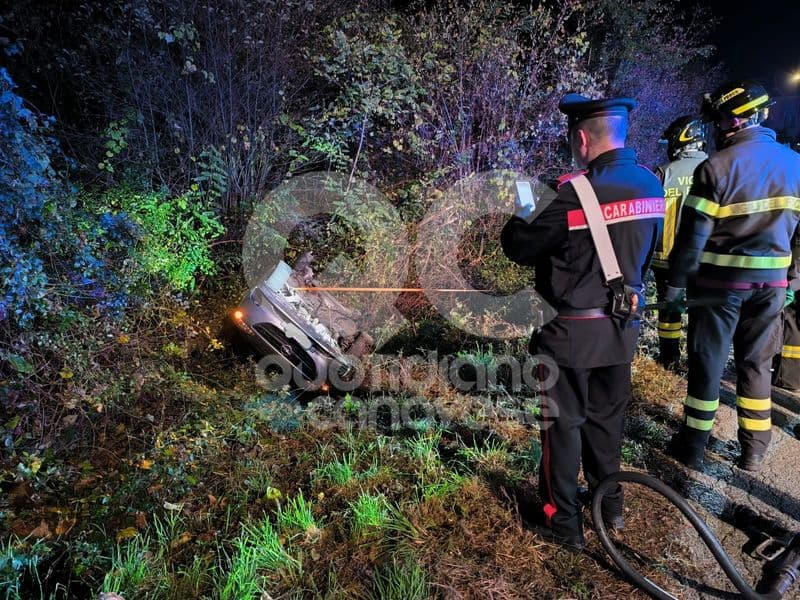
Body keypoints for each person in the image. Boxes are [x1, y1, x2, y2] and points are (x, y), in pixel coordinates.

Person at [501, 93, 664, 549]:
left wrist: (526, 204)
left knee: (562, 428)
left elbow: (517, 245)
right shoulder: (652, 185)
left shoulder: (570, 193)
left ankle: (564, 524)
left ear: (580, 138)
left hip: (570, 335)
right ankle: (610, 510)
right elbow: (652, 252)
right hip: (621, 330)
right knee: (606, 423)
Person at [665, 80, 800, 472]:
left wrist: (675, 286)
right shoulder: (795, 165)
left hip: (718, 288)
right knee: (756, 363)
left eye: (720, 121)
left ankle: (692, 444)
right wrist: (792, 279)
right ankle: (755, 448)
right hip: (771, 288)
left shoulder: (716, 167)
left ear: (736, 120)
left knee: (707, 361)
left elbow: (691, 240)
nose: (717, 129)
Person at [651, 116, 708, 370]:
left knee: (669, 309)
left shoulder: (665, 171)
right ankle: (700, 360)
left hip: (667, 257)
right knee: (702, 310)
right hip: (705, 258)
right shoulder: (716, 168)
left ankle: (669, 359)